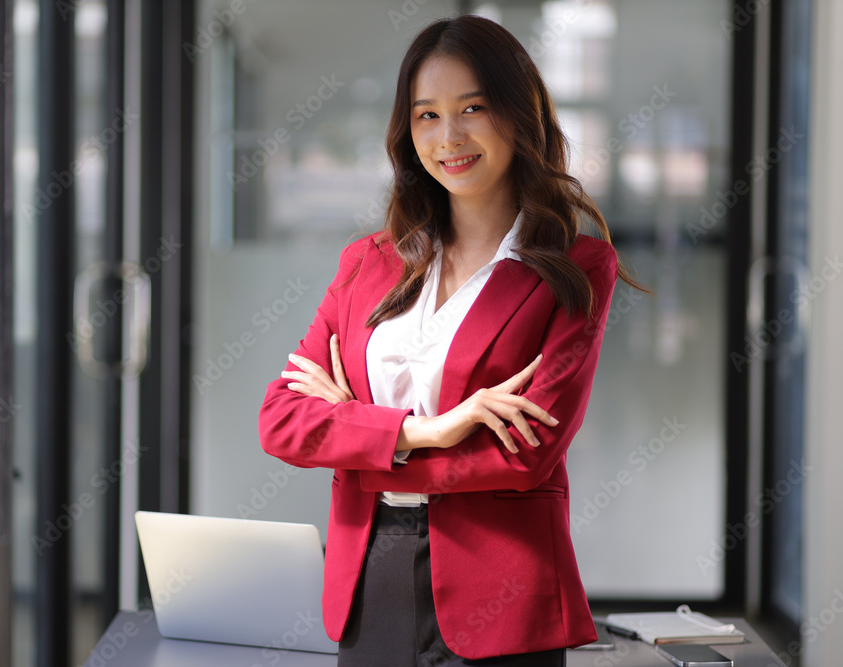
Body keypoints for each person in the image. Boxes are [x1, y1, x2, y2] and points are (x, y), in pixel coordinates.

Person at [258, 14, 643, 667]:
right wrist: (426, 431)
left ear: (520, 116)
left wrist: (355, 431)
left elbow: (526, 456)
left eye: (473, 108)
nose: (449, 136)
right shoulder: (366, 263)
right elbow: (282, 421)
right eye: (426, 116)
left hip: (502, 592)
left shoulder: (575, 267)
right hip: (370, 576)